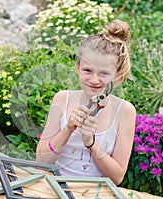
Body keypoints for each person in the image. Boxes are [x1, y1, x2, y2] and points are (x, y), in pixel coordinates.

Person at [36, 20, 136, 185]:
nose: (94, 80)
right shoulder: (62, 99)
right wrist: (68, 129)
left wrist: (91, 143)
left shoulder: (125, 111)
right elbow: (41, 161)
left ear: (117, 75)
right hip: (56, 188)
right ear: (77, 67)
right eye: (87, 71)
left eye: (104, 73)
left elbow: (117, 178)